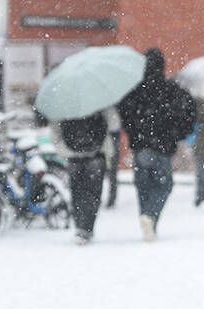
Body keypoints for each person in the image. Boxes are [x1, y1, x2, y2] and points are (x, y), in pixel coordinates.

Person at [118, 48, 196, 241]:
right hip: (163, 146)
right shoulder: (172, 90)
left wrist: (134, 134)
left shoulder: (134, 91)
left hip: (141, 146)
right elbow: (189, 112)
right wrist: (178, 134)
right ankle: (151, 217)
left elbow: (124, 115)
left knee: (143, 186)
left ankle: (147, 218)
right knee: (163, 186)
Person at [59, 112, 108, 245]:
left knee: (77, 193)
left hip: (74, 156)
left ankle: (80, 226)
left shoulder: (66, 109)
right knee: (93, 194)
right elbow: (112, 126)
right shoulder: (98, 107)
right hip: (95, 155)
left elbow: (57, 132)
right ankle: (87, 227)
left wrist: (67, 150)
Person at [102, 107, 121, 208]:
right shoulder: (113, 105)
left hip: (105, 134)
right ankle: (111, 197)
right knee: (112, 170)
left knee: (109, 169)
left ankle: (110, 198)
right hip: (111, 133)